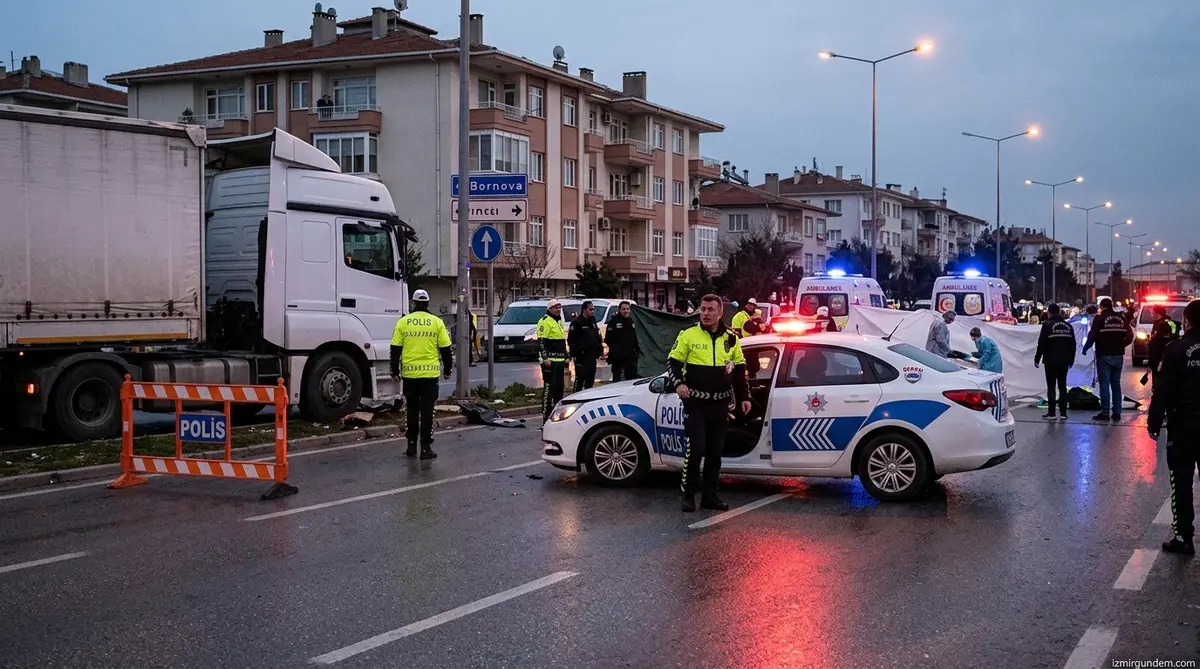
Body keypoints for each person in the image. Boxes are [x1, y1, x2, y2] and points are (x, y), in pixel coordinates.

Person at [667, 294, 751, 513]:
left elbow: (740, 369)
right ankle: (688, 495)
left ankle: (710, 496)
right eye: (703, 309)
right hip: (695, 404)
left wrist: (744, 398)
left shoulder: (731, 338)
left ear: (720, 313)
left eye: (710, 309)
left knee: (715, 453)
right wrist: (678, 384)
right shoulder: (688, 335)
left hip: (720, 405)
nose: (705, 313)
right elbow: (673, 362)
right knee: (695, 451)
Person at [1147, 299, 1200, 556]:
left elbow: (1163, 390)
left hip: (1183, 427)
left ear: (1187, 321)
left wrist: (1154, 422)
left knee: (1181, 482)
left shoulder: (1176, 350)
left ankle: (1183, 537)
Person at [389, 289, 453, 459]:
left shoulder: (403, 322)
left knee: (411, 409)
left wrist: (394, 370)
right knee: (427, 412)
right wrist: (448, 370)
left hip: (410, 375)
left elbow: (395, 349)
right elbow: (446, 349)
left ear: (413, 302)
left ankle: (411, 446)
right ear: (427, 303)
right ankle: (425, 448)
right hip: (430, 376)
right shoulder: (437, 322)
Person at [1082, 297, 1134, 422]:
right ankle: (1117, 412)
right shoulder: (1122, 318)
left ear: (1102, 307)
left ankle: (1105, 413)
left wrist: (1085, 348)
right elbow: (1130, 336)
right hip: (1118, 355)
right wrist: (1122, 345)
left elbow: (1092, 336)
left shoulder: (1099, 319)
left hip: (1104, 355)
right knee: (1116, 384)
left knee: (1104, 384)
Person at [1034, 303, 1076, 420]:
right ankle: (1063, 413)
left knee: (1051, 386)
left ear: (1050, 313)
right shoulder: (1068, 326)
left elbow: (1041, 343)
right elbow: (1073, 345)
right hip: (1064, 361)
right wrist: (1071, 360)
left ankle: (1052, 413)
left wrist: (1037, 358)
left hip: (1050, 360)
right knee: (1062, 386)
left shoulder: (1047, 325)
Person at [537, 299, 569, 421]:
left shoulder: (559, 321)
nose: (558, 310)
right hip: (550, 361)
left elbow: (562, 341)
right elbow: (541, 342)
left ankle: (557, 414)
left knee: (559, 388)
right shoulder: (544, 321)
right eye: (556, 307)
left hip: (560, 359)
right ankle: (545, 415)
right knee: (549, 388)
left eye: (559, 307)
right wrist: (545, 358)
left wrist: (566, 356)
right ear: (550, 309)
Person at [568, 300, 602, 392]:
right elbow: (571, 340)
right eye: (590, 309)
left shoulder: (593, 321)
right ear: (584, 310)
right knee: (580, 379)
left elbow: (597, 335)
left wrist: (599, 350)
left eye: (593, 309)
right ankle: (575, 398)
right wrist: (577, 352)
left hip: (592, 355)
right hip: (581, 357)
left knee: (590, 379)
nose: (592, 311)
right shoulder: (577, 323)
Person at [604, 300, 640, 382]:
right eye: (624, 309)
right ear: (619, 310)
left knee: (631, 378)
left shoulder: (630, 321)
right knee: (618, 379)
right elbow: (608, 338)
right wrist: (616, 349)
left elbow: (634, 337)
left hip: (630, 356)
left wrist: (636, 350)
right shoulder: (613, 321)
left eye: (627, 309)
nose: (626, 311)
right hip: (618, 357)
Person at [1147, 304, 1181, 383]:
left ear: (1157, 313)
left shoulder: (1161, 325)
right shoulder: (1169, 323)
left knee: (1157, 380)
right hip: (1168, 356)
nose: (1151, 314)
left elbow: (1157, 343)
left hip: (1159, 357)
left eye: (1153, 312)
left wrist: (1151, 361)